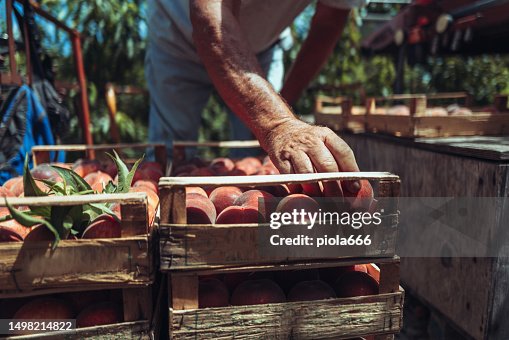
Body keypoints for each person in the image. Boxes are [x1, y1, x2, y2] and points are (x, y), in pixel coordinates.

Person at [145, 0, 365, 191]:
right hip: (177, 37)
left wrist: (280, 111)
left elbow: (329, 22)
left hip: (263, 46)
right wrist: (278, 124)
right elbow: (210, 19)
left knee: (259, 158)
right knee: (170, 156)